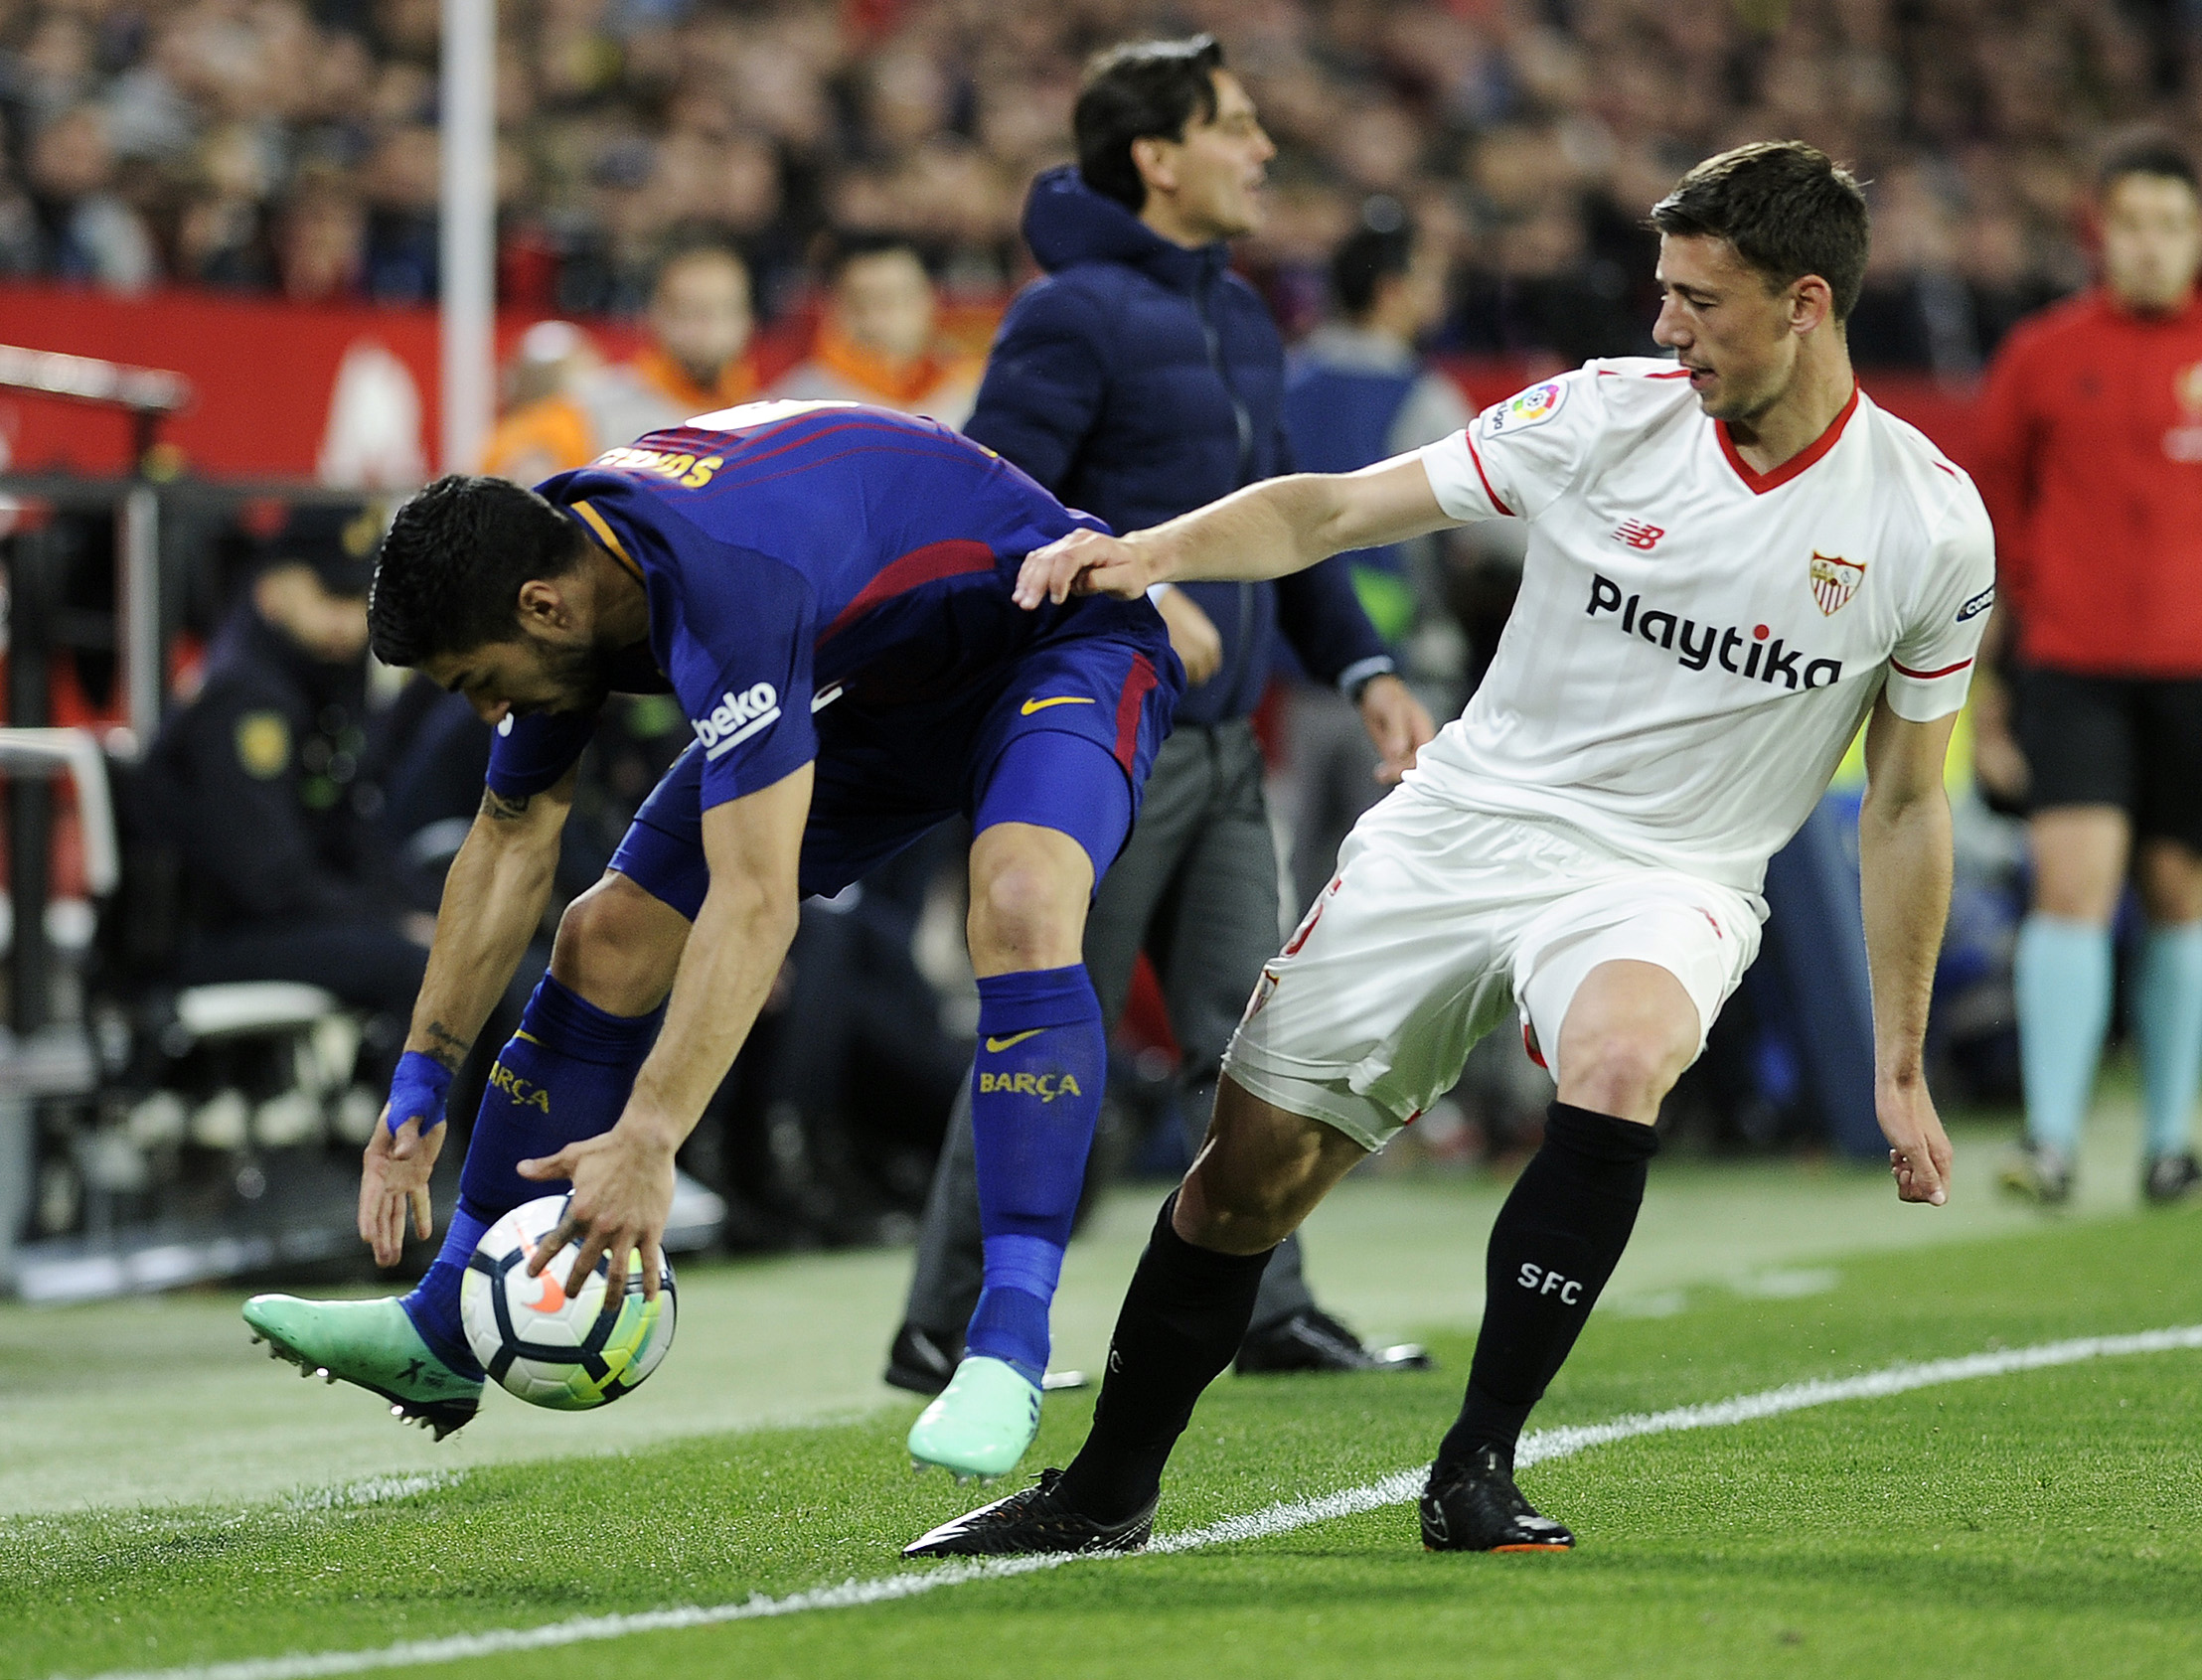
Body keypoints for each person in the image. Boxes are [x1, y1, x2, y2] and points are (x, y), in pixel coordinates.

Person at [907, 140, 1993, 1561]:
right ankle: (1104, 1486)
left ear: (1806, 301)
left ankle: (1475, 1462)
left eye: (1697, 300)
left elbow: (1910, 803)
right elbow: (1338, 506)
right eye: (1661, 291)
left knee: (1617, 1057)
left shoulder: (1926, 523)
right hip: (1466, 819)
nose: (1664, 325)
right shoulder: (1605, 415)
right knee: (1252, 1174)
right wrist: (1154, 550)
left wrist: (1899, 1060)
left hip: (1670, 874)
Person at [239, 401, 1180, 1462]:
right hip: (883, 681)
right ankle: (444, 1325)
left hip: (1062, 643)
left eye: (477, 683)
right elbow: (508, 842)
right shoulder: (561, 565)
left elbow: (756, 901)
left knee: (1016, 899)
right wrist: (420, 1071)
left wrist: (650, 1138)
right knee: (605, 935)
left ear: (541, 609)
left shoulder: (719, 583)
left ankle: (1004, 1348)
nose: (487, 714)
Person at [885, 36, 1435, 1415]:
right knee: (1044, 1020)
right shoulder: (1069, 313)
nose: (1262, 151)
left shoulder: (1243, 317)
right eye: (1236, 127)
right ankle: (945, 1325)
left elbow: (1286, 529)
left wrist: (1361, 661)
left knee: (1258, 1035)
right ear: (1159, 156)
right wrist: (1137, 579)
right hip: (1099, 732)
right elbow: (982, 508)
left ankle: (1269, 1305)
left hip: (1225, 742)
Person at [1971, 137, 2202, 1207]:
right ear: (2096, 230)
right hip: (2067, 663)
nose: (2149, 243)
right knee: (2070, 889)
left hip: (2192, 672)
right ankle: (2050, 1139)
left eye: (2169, 223)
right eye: (2131, 222)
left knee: (2175, 896)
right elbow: (1987, 517)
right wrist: (1987, 680)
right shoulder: (2039, 353)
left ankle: (2167, 1140)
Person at [152, 503, 429, 1023]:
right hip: (214, 934)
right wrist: (388, 920)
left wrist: (417, 909)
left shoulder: (324, 685)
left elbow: (355, 837)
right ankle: (415, 1108)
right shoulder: (243, 698)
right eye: (332, 596)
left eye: (361, 600)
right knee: (422, 971)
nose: (348, 622)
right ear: (272, 589)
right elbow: (266, 879)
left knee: (475, 952)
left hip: (285, 918)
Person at [1279, 196, 1469, 911]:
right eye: (1427, 277)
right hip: (1404, 677)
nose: (1437, 296)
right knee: (1398, 882)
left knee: (1308, 882)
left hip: (1300, 672)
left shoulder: (1285, 380)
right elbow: (1495, 527)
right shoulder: (1423, 397)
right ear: (1393, 291)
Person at [480, 243, 757, 484]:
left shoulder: (763, 420)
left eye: (721, 311)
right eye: (688, 312)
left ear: (747, 321)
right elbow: (504, 459)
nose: (705, 328)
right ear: (655, 315)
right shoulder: (597, 409)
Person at [767, 230, 981, 426]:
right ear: (835, 309)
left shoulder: (973, 393)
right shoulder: (797, 406)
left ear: (932, 298)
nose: (886, 317)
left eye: (901, 297)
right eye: (867, 302)